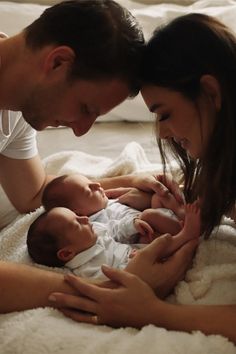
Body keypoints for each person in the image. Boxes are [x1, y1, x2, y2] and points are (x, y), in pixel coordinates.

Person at [48, 14, 236, 343]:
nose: (162, 134)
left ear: (210, 92)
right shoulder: (221, 169)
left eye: (165, 113)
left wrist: (152, 312)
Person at [0, 0, 196, 315]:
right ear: (58, 62)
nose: (80, 131)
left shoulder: (15, 102)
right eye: (85, 108)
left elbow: (32, 193)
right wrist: (109, 288)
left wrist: (129, 181)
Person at [26, 203, 200, 280]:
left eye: (78, 215)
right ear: (67, 253)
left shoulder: (94, 231)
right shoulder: (87, 269)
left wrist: (133, 225)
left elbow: (115, 229)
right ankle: (186, 236)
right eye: (77, 223)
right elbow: (113, 280)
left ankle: (180, 228)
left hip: (134, 246)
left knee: (148, 215)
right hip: (139, 265)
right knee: (157, 247)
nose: (85, 218)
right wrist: (131, 263)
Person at [42, 173, 186, 240]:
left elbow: (137, 199)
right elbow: (113, 236)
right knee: (149, 215)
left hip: (157, 219)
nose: (97, 185)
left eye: (91, 181)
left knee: (157, 197)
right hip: (142, 234)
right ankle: (185, 232)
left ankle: (181, 213)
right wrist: (135, 223)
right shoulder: (92, 224)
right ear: (78, 212)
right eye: (89, 189)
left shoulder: (109, 199)